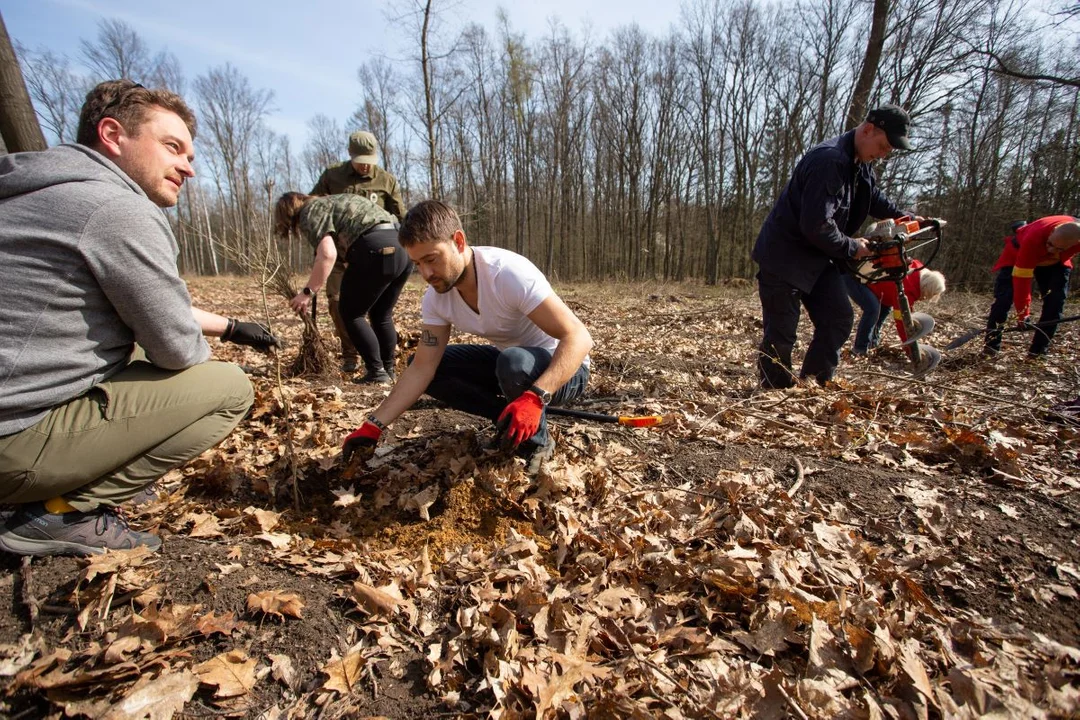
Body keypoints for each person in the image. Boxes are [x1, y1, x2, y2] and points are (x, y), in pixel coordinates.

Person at [0, 79, 277, 557]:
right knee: (227, 387)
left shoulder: (37, 190)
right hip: (12, 444)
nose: (187, 169)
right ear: (112, 134)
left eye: (191, 156)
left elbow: (133, 303)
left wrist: (231, 327)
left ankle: (88, 467)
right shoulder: (115, 208)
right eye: (173, 148)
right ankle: (65, 512)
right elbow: (176, 349)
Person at [341, 200, 592, 475]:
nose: (425, 274)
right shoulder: (436, 298)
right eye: (416, 264)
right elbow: (423, 367)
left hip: (565, 369)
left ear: (458, 241)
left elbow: (579, 338)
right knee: (429, 365)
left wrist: (535, 397)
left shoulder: (507, 274)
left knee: (514, 362)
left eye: (431, 259)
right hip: (512, 367)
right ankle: (509, 421)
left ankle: (537, 445)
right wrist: (374, 424)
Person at [753, 104, 915, 388]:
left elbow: (873, 198)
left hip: (819, 258)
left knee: (838, 317)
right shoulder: (829, 161)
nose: (885, 153)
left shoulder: (860, 164)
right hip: (785, 257)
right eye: (884, 145)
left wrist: (905, 218)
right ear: (868, 130)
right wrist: (853, 247)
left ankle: (814, 383)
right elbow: (817, 224)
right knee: (782, 333)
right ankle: (773, 391)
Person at [274, 191, 411, 384]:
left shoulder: (309, 212)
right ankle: (389, 370)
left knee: (350, 313)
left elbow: (327, 255)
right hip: (401, 246)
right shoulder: (333, 202)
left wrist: (307, 292)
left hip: (375, 247)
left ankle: (377, 372)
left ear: (288, 213)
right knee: (381, 314)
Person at [311, 131, 405, 374]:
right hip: (340, 254)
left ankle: (381, 366)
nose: (365, 165)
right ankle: (351, 355)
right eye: (361, 159)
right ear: (350, 155)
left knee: (378, 310)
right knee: (338, 303)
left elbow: (402, 216)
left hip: (375, 251)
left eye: (370, 160)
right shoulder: (333, 176)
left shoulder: (386, 180)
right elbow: (314, 205)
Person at [984, 215, 1080, 356]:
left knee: (1055, 302)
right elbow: (1022, 281)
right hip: (1020, 253)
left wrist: (1056, 252)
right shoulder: (1033, 239)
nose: (1051, 250)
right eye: (1050, 244)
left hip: (1054, 263)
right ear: (1052, 232)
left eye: (1059, 248)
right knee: (1004, 300)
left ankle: (1038, 352)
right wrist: (1023, 314)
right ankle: (991, 347)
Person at [865, 259, 946, 350]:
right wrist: (910, 350)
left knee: (881, 314)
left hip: (883, 294)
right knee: (873, 312)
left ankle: (872, 342)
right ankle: (861, 348)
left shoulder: (919, 268)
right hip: (868, 284)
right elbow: (902, 322)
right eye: (930, 294)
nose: (926, 298)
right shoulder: (906, 291)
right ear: (926, 289)